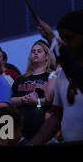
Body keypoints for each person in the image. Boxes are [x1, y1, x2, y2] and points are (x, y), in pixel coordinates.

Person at [31, 10, 83, 144]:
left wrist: (52, 38)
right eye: (61, 38)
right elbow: (58, 116)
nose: (64, 43)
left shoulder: (69, 69)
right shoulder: (62, 72)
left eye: (69, 37)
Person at [10, 41, 55, 140]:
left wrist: (37, 101)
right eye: (33, 51)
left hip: (43, 126)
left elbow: (54, 100)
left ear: (47, 56)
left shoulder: (51, 76)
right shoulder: (20, 78)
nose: (35, 53)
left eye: (39, 51)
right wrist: (23, 99)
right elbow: (10, 100)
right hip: (21, 128)